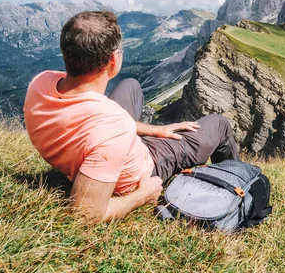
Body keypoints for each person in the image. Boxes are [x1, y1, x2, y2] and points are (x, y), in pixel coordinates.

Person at [23, 11, 240, 223]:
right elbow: (85, 214)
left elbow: (107, 125)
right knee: (219, 124)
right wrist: (142, 195)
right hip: (144, 168)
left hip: (105, 144)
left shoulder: (41, 83)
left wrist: (155, 130)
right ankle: (236, 189)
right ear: (113, 60)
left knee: (131, 85)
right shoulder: (115, 127)